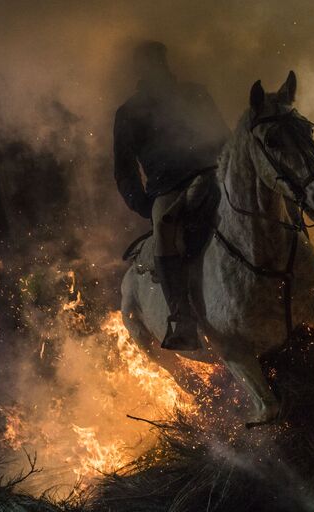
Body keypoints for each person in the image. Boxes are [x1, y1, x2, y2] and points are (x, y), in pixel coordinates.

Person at [113, 41, 229, 351]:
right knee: (165, 228)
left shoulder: (196, 94)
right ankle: (182, 317)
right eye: (149, 63)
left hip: (213, 174)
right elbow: (124, 171)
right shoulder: (128, 114)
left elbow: (223, 137)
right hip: (169, 189)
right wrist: (144, 204)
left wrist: (228, 169)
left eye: (159, 62)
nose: (156, 69)